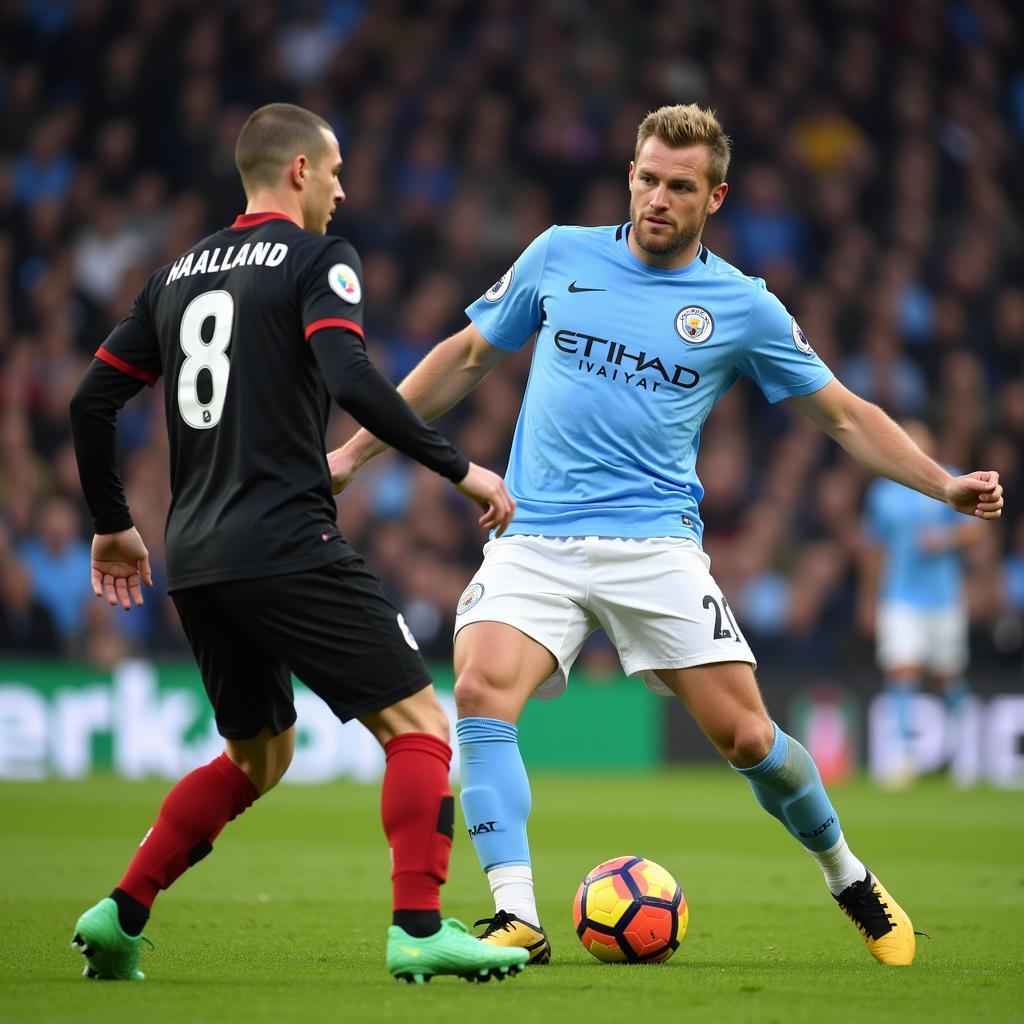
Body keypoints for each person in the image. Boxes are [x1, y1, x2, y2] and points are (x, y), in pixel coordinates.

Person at [329, 104, 1004, 968]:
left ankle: (849, 876)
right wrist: (353, 451)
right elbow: (463, 358)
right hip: (535, 538)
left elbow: (842, 415)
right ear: (630, 176)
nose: (656, 198)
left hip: (656, 551)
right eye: (646, 178)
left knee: (750, 740)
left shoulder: (743, 306)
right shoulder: (559, 253)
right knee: (480, 691)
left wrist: (941, 481)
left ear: (714, 198)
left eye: (679, 187)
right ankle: (515, 916)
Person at [67, 102, 528, 985]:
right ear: (300, 172)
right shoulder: (319, 259)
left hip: (195, 554)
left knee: (259, 754)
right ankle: (420, 926)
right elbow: (350, 374)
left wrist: (113, 523)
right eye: (338, 170)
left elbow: (90, 401)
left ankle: (121, 913)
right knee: (421, 725)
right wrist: (460, 468)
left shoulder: (174, 276)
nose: (346, 190)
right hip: (286, 537)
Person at [859, 420, 984, 786]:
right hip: (899, 597)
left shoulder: (951, 480)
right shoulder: (883, 493)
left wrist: (947, 539)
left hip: (943, 597)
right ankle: (901, 757)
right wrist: (869, 599)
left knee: (947, 678)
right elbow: (873, 549)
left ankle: (965, 756)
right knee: (902, 671)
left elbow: (979, 524)